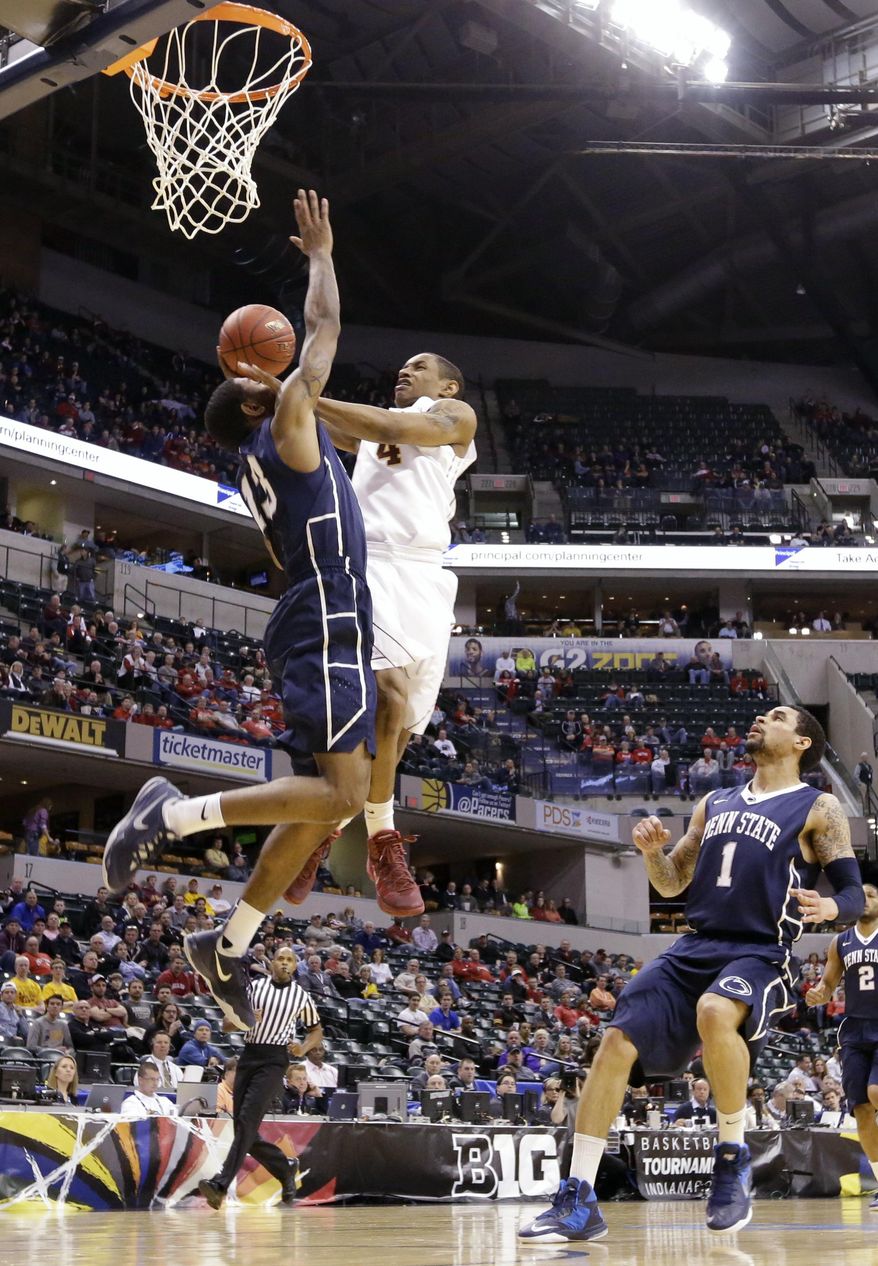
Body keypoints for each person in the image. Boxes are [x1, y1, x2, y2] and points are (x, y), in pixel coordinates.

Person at [101, 190, 375, 1032]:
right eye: (271, 374)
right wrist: (321, 258)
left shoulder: (267, 454)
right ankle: (172, 813)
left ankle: (230, 942)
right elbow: (323, 336)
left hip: (313, 610)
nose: (285, 374)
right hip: (326, 608)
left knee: (314, 799)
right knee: (341, 799)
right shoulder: (287, 424)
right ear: (259, 394)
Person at [520, 704, 864, 1243]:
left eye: (775, 717)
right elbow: (672, 883)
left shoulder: (818, 806)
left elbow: (848, 889)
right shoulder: (714, 801)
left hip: (760, 951)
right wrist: (651, 853)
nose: (760, 721)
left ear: (802, 743)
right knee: (613, 1043)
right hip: (694, 945)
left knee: (714, 1010)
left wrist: (831, 911)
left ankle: (731, 1156)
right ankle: (578, 1198)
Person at [244, 345, 477, 920]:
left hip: (425, 577)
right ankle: (381, 839)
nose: (406, 368)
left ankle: (330, 825)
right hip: (367, 566)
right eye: (405, 364)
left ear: (447, 387)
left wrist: (303, 394)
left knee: (396, 730)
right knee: (390, 693)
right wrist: (285, 398)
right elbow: (337, 425)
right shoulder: (369, 430)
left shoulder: (455, 417)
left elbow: (389, 424)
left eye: (421, 365)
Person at [198, 947, 320, 1209]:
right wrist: (247, 1018)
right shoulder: (255, 988)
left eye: (290, 960)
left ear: (296, 966)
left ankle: (220, 1184)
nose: (284, 963)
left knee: (246, 1121)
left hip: (275, 1060)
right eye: (280, 958)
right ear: (271, 962)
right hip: (249, 1055)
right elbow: (226, 1024)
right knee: (244, 1129)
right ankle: (285, 1167)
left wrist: (304, 1048)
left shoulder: (301, 996)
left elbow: (316, 1030)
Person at [805, 883, 878, 1209]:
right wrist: (819, 994)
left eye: (873, 895)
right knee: (861, 1108)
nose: (865, 900)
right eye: (861, 895)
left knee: (876, 1092)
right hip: (854, 1030)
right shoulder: (840, 942)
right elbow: (829, 984)